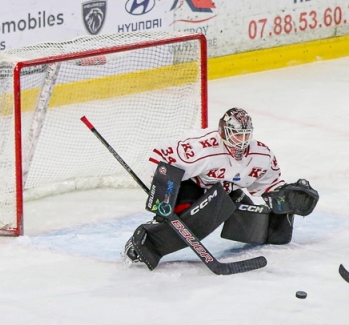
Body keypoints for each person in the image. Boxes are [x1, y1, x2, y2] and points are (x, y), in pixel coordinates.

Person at [123, 107, 318, 270]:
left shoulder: (261, 154)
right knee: (201, 219)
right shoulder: (204, 148)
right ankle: (145, 242)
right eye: (236, 135)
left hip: (224, 192)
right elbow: (162, 155)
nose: (241, 142)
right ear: (224, 133)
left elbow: (269, 184)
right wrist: (163, 193)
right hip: (191, 187)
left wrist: (283, 198)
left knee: (268, 230)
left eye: (245, 135)